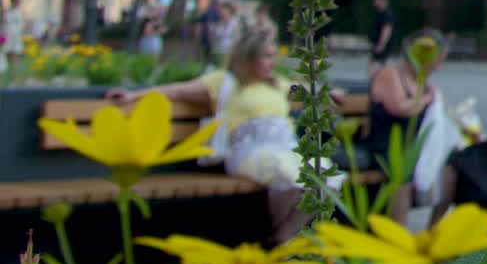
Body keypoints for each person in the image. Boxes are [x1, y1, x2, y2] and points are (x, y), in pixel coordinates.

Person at [107, 29, 346, 245]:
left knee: (323, 177)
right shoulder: (225, 82)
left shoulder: (276, 85)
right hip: (250, 150)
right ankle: (281, 237)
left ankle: (285, 234)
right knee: (287, 173)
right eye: (265, 57)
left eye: (273, 56)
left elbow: (307, 91)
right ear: (248, 58)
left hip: (286, 146)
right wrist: (133, 96)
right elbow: (177, 89)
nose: (271, 63)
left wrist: (330, 93)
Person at [364, 30, 445, 224]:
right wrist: (427, 98)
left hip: (410, 147)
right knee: (401, 172)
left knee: (453, 163)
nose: (439, 64)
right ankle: (398, 233)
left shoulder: (421, 81)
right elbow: (398, 107)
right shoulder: (390, 73)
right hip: (386, 145)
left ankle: (436, 231)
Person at [369, 0, 397, 78]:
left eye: (377, 0)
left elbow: (386, 30)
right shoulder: (381, 13)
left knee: (374, 63)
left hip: (384, 44)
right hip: (382, 44)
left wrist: (381, 45)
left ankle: (373, 81)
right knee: (384, 63)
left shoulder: (386, 14)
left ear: (384, 1)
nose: (375, 2)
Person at [3, 0, 22, 68]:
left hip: (16, 32)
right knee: (8, 49)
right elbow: (5, 21)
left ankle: (15, 65)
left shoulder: (18, 11)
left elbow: (20, 22)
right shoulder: (8, 11)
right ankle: (7, 64)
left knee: (16, 49)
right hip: (9, 31)